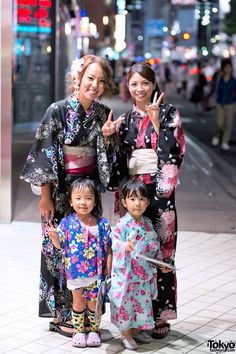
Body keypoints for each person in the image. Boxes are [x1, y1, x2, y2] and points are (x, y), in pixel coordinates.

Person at [20, 54, 123, 337]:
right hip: (62, 191)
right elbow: (45, 155)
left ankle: (89, 315)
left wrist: (107, 138)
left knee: (90, 251)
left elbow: (109, 164)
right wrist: (45, 197)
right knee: (59, 251)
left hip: (88, 194)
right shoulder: (57, 111)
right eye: (90, 78)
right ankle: (61, 314)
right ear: (78, 78)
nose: (95, 85)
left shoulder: (103, 114)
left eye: (101, 81)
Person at [107, 62, 186, 339]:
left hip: (160, 192)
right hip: (133, 194)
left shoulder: (169, 113)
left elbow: (176, 152)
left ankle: (161, 314)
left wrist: (155, 124)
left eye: (145, 83)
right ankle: (137, 315)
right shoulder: (124, 119)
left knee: (162, 253)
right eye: (134, 84)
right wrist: (108, 139)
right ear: (127, 87)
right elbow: (119, 162)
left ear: (154, 85)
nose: (139, 89)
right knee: (133, 252)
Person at [47, 177, 112, 347]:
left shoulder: (102, 224)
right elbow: (60, 245)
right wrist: (54, 237)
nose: (83, 202)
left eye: (88, 198)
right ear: (71, 201)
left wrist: (108, 267)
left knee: (93, 303)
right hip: (75, 272)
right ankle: (78, 331)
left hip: (96, 273)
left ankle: (94, 330)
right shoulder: (66, 223)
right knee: (78, 301)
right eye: (78, 198)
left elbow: (109, 248)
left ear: (95, 201)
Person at [109, 180, 162, 350]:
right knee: (126, 304)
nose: (137, 203)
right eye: (132, 199)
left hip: (142, 274)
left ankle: (136, 330)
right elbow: (114, 243)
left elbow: (154, 245)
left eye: (141, 199)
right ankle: (125, 334)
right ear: (124, 202)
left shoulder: (147, 223)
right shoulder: (122, 224)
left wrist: (160, 262)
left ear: (147, 202)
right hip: (126, 276)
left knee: (141, 303)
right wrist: (124, 246)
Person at [210, 59, 236, 150]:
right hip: (220, 103)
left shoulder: (234, 80)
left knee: (228, 124)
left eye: (229, 67)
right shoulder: (219, 79)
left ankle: (225, 141)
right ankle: (217, 136)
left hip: (230, 104)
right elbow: (214, 89)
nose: (228, 69)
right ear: (223, 68)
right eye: (226, 67)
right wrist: (209, 97)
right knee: (219, 123)